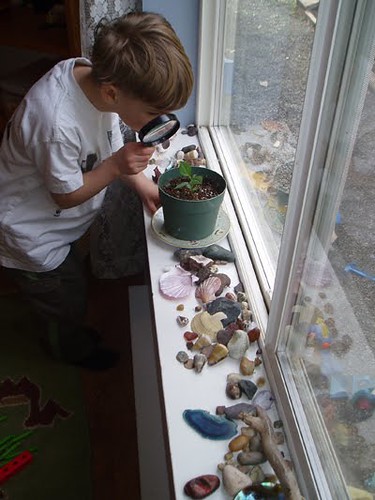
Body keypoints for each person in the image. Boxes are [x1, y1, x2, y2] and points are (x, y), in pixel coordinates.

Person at [0, 12, 194, 370]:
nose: (160, 121)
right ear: (112, 93)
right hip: (32, 235)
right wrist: (116, 167)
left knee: (69, 285)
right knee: (63, 302)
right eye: (155, 112)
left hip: (56, 225)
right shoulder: (56, 123)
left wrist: (138, 182)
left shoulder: (94, 81)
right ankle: (65, 348)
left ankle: (66, 327)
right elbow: (66, 195)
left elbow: (104, 144)